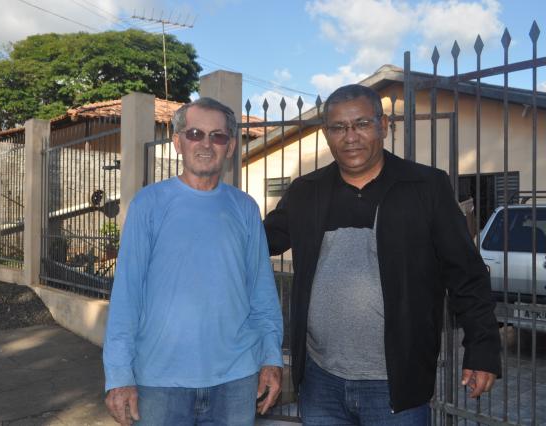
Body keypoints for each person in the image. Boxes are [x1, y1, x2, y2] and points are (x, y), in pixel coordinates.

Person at [264, 84, 501, 425]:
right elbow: (255, 244)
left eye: (361, 123)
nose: (350, 137)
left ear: (383, 125)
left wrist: (482, 350)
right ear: (327, 134)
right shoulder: (306, 192)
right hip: (320, 381)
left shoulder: (425, 187)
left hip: (396, 384)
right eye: (338, 127)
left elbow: (465, 273)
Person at [103, 97, 283, 426]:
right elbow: (127, 296)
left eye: (218, 136)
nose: (206, 144)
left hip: (236, 380)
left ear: (230, 147)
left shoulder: (244, 208)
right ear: (178, 142)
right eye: (196, 133)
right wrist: (118, 375)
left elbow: (262, 291)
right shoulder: (149, 204)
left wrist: (271, 358)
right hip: (160, 381)